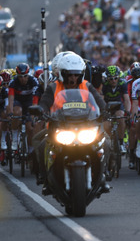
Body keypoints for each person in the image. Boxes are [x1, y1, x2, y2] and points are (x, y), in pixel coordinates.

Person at [36, 53, 108, 194]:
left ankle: (104, 175)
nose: (73, 78)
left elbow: (99, 101)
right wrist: (41, 111)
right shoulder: (53, 87)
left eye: (76, 75)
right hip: (59, 126)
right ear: (62, 74)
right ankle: (45, 179)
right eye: (69, 75)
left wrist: (105, 110)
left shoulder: (86, 85)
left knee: (107, 141)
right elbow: (44, 103)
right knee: (41, 144)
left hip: (86, 126)